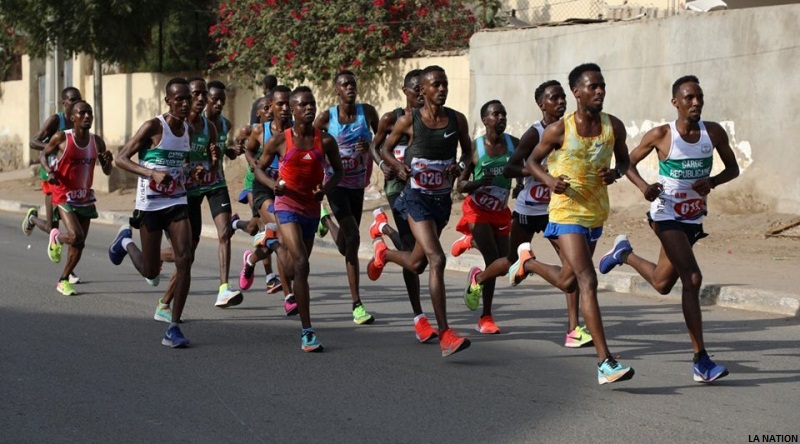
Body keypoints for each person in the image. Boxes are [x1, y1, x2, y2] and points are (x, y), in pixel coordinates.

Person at [601, 75, 739, 383]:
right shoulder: (662, 135)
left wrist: (713, 181)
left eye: (699, 97)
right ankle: (701, 361)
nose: (696, 103)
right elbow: (626, 163)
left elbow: (733, 168)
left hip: (692, 218)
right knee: (692, 278)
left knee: (663, 283)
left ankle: (624, 255)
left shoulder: (712, 133)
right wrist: (644, 187)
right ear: (675, 102)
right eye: (689, 98)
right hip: (664, 214)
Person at [511, 63, 635, 384]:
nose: (599, 91)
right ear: (576, 92)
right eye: (592, 87)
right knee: (586, 281)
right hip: (565, 212)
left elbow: (623, 160)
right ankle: (604, 362)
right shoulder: (559, 130)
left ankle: (530, 263)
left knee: (567, 281)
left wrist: (616, 173)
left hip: (595, 212)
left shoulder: (613, 126)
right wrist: (550, 181)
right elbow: (531, 162)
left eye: (602, 86)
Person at [472, 80, 593, 348]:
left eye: (563, 97)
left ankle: (573, 329)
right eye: (554, 98)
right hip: (529, 209)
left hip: (557, 210)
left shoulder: (571, 129)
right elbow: (511, 169)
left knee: (570, 268)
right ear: (542, 104)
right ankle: (478, 279)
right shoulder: (534, 133)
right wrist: (539, 173)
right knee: (508, 260)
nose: (561, 101)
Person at [371, 65, 473, 357]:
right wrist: (398, 167)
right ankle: (446, 335)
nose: (441, 89)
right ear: (423, 90)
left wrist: (460, 167)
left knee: (417, 264)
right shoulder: (408, 121)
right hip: (415, 199)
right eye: (435, 85)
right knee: (436, 258)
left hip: (441, 201)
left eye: (445, 84)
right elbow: (386, 148)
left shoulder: (457, 120)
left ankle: (385, 253)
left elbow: (467, 152)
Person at [108, 77, 214, 348]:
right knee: (151, 272)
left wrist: (194, 171)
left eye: (187, 99)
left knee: (185, 257)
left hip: (177, 201)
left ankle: (173, 327)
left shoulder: (189, 130)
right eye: (178, 99)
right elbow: (121, 158)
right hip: (150, 204)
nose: (184, 103)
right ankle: (125, 241)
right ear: (167, 100)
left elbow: (183, 164)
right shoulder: (154, 126)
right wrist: (150, 173)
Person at [255, 85, 343, 352]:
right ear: (292, 110)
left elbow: (338, 172)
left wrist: (324, 190)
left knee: (294, 269)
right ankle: (307, 332)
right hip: (286, 206)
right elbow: (259, 169)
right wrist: (273, 185)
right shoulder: (280, 140)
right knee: (303, 264)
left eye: (312, 104)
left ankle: (272, 243)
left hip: (311, 208)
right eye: (303, 105)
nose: (309, 109)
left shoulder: (325, 141)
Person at [368, 68, 438, 342]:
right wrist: (386, 165)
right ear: (406, 91)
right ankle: (420, 318)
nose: (421, 94)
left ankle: (383, 239)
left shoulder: (433, 121)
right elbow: (375, 146)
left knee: (416, 255)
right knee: (416, 259)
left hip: (428, 192)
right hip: (399, 190)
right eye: (416, 89)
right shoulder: (392, 118)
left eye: (424, 88)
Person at [313, 70, 380, 325]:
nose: (350, 88)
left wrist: (370, 147)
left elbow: (379, 142)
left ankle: (326, 220)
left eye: (353, 83)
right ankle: (357, 304)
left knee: (346, 244)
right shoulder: (327, 117)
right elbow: (311, 142)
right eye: (345, 84)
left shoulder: (368, 112)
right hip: (335, 184)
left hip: (357, 184)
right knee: (352, 237)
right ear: (337, 91)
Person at [454, 100, 519, 334]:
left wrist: (520, 185)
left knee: (505, 263)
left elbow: (526, 166)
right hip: (477, 209)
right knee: (492, 257)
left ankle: (477, 275)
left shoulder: (514, 144)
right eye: (496, 114)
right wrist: (478, 183)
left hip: (500, 211)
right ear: (485, 120)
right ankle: (486, 317)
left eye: (504, 113)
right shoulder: (475, 148)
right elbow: (460, 185)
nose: (501, 117)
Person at [41, 101, 112, 295]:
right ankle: (56, 237)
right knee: (75, 236)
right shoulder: (62, 138)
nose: (87, 116)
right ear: (73, 118)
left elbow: (107, 171)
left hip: (84, 196)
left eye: (90, 113)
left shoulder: (97, 142)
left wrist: (108, 163)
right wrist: (48, 171)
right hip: (63, 194)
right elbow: (43, 154)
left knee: (79, 243)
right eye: (82, 113)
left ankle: (63, 279)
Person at [241, 85, 297, 314]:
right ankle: (289, 296)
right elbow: (248, 149)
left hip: (289, 191)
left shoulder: (296, 131)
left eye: (288, 104)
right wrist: (255, 165)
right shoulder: (260, 131)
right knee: (283, 238)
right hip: (265, 190)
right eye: (280, 104)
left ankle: (251, 260)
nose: (284, 108)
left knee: (286, 242)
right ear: (271, 106)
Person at [188, 78, 244, 308]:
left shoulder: (225, 124)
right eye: (214, 99)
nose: (219, 103)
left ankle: (223, 288)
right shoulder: (192, 125)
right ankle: (154, 260)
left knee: (224, 233)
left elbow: (221, 151)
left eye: (222, 100)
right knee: (189, 246)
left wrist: (232, 152)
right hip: (192, 186)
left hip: (216, 183)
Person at [25, 86, 83, 285]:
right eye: (72, 100)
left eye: (79, 99)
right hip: (51, 175)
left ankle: (70, 270)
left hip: (71, 178)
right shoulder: (55, 120)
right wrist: (55, 147)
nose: (76, 103)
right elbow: (33, 142)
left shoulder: (79, 120)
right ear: (63, 103)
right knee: (52, 226)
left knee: (73, 226)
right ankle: (33, 219)